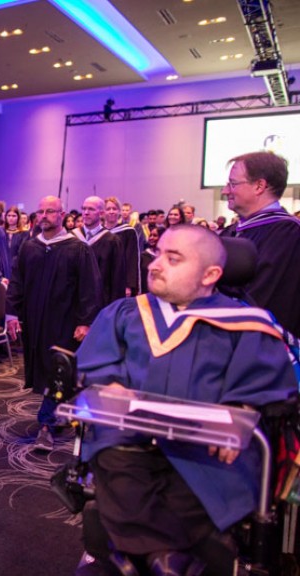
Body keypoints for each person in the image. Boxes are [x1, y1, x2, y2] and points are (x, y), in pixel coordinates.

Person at [75, 225, 297, 573]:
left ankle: (133, 552)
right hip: (129, 439)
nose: (155, 264)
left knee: (201, 490)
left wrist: (240, 411)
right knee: (115, 465)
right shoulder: (126, 313)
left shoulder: (249, 324)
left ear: (210, 274)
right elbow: (98, 362)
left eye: (173, 258)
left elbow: (263, 382)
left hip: (204, 447)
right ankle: (164, 559)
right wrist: (110, 384)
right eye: (158, 253)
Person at [6, 195, 102, 451]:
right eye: (41, 211)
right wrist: (11, 313)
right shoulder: (30, 247)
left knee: (57, 369)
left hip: (65, 321)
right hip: (35, 320)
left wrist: (85, 321)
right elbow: (17, 281)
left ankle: (45, 425)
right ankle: (60, 412)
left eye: (51, 211)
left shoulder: (77, 248)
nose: (45, 216)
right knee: (44, 369)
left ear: (62, 215)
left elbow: (90, 288)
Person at [220, 151, 300, 336]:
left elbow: (261, 300)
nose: (225, 191)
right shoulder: (231, 231)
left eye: (233, 184)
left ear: (259, 186)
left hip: (262, 349)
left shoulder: (288, 234)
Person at [71, 196, 125, 304]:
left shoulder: (112, 241)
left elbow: (117, 278)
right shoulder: (72, 238)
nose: (86, 213)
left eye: (91, 209)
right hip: (74, 302)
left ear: (101, 213)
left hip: (101, 301)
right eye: (84, 208)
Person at [104, 196, 140, 296]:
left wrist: (128, 285)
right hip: (102, 283)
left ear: (119, 211)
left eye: (114, 209)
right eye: (108, 209)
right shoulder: (99, 233)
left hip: (120, 282)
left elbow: (131, 260)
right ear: (103, 212)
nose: (111, 212)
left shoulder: (128, 231)